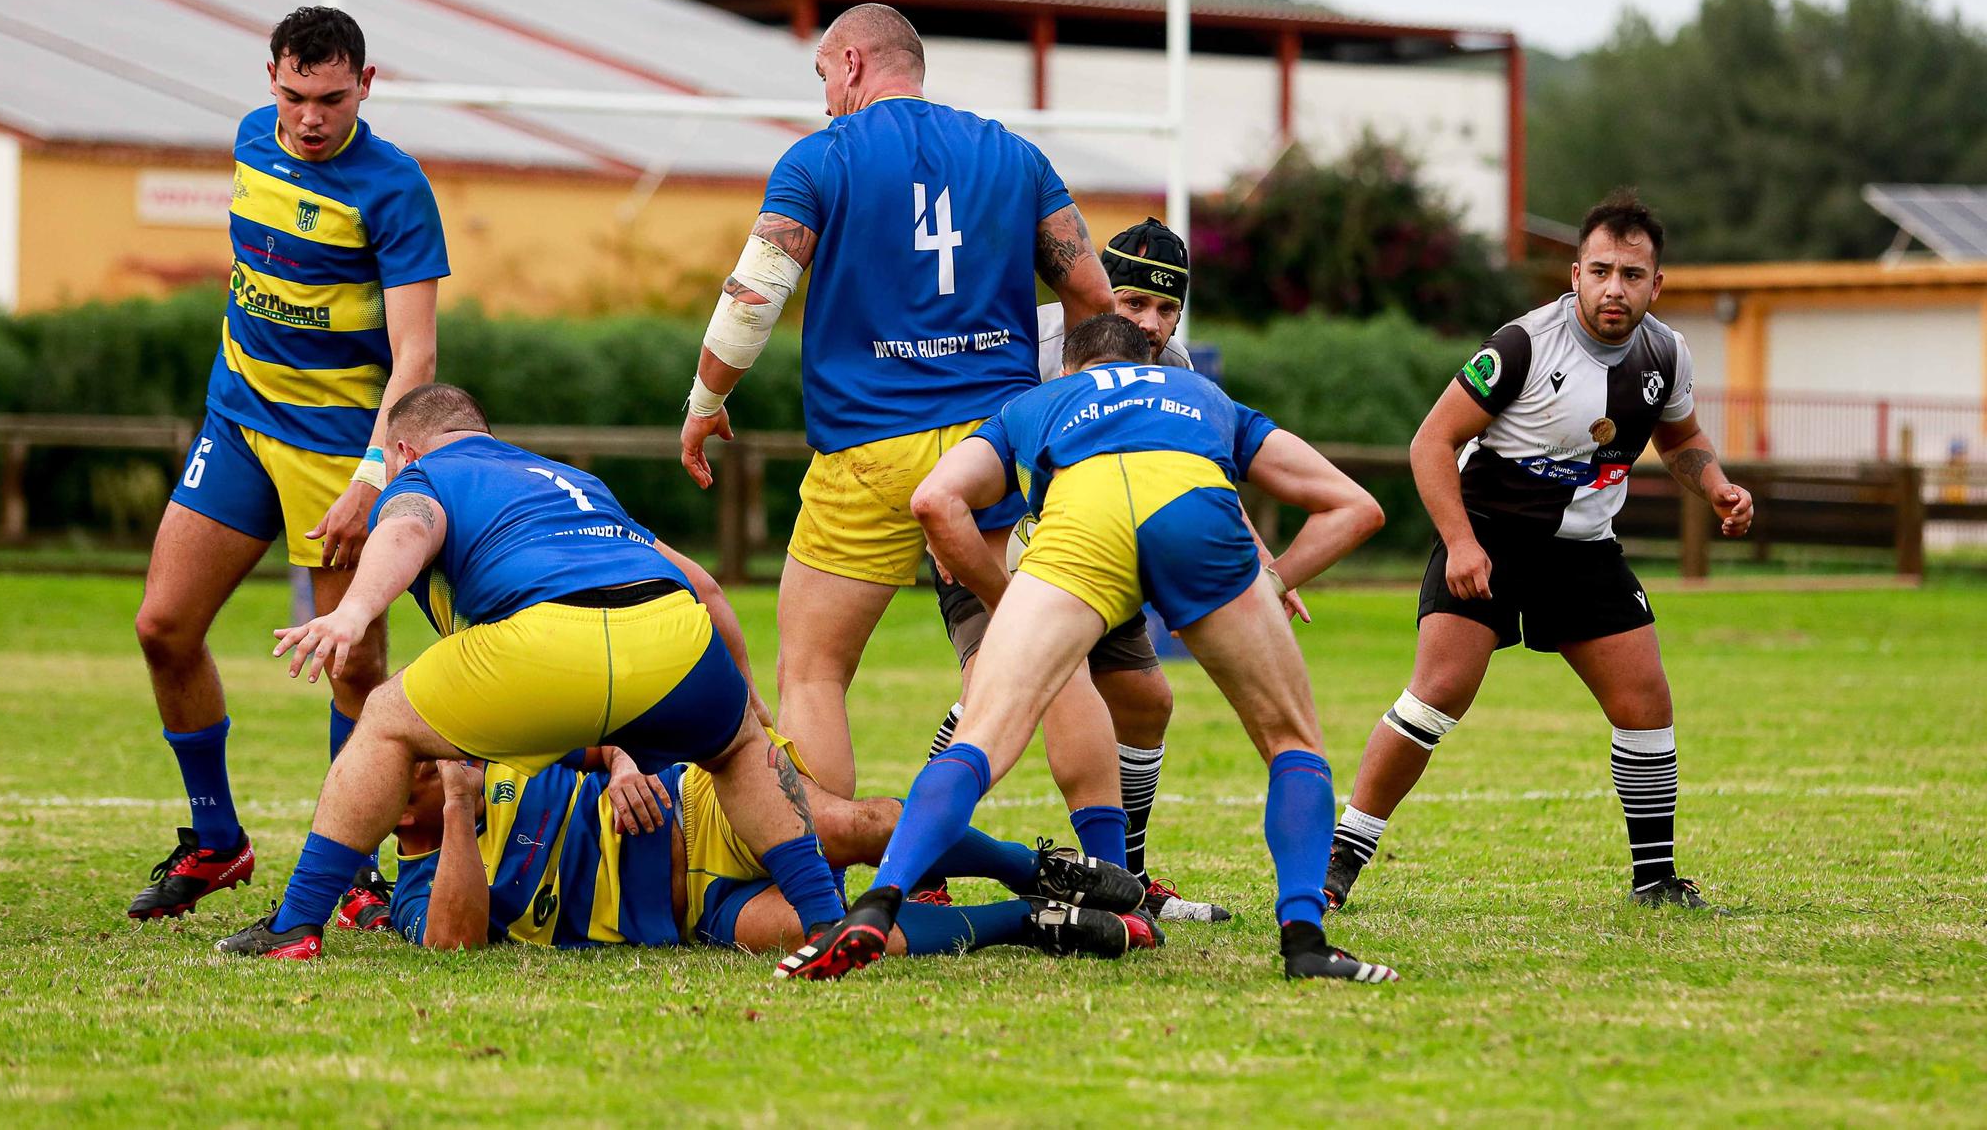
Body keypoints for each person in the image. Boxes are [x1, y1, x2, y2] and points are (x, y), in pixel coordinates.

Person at [781, 315, 1399, 983]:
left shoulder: (1035, 402)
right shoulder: (1204, 398)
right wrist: (1264, 583)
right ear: (1152, 363)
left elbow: (934, 500)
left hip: (1081, 526)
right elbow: (1355, 507)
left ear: (1070, 366)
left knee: (981, 738)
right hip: (1191, 506)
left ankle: (879, 902)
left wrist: (1004, 599)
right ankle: (1305, 939)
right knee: (1292, 742)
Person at [211, 384, 845, 963]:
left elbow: (408, 527)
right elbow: (705, 587)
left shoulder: (425, 474)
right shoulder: (574, 480)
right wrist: (745, 702)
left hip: (547, 638)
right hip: (670, 632)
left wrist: (352, 612)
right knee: (735, 751)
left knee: (382, 718)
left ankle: (294, 928)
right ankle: (824, 922)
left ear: (403, 450)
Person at [676, 3, 1115, 827]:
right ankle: (1111, 866)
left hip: (868, 449)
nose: (824, 101)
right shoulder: (1015, 156)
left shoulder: (819, 159)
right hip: (995, 448)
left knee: (813, 671)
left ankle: (826, 877)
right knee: (1054, 659)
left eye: (822, 80)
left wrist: (706, 402)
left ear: (850, 64)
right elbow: (1091, 297)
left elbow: (753, 300)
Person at [1323, 190, 1753, 915]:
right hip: (1489, 536)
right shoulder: (1523, 344)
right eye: (1601, 270)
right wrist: (1460, 543)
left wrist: (1714, 484)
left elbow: (1679, 440)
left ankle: (1655, 879)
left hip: (1584, 549)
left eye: (1632, 274)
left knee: (1646, 701)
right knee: (1435, 698)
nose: (1614, 287)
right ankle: (1338, 865)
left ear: (1658, 283)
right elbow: (1431, 441)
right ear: (1575, 273)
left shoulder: (1665, 353)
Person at [127, 7, 445, 929]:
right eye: (295, 95)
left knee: (355, 661)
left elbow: (416, 357)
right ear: (270, 78)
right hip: (237, 425)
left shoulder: (394, 188)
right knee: (163, 624)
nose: (310, 117)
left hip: (339, 448)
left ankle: (349, 867)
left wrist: (371, 479)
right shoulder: (247, 142)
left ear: (367, 84)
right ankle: (217, 841)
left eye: (332, 98)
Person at [923, 219, 1281, 925]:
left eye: (1166, 308)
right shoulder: (1028, 337)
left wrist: (1252, 544)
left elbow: (1189, 456)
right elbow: (965, 440)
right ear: (1096, 290)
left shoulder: (1171, 364)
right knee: (1002, 688)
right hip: (994, 529)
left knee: (1148, 699)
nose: (1151, 324)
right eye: (1132, 303)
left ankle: (1131, 880)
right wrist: (951, 518)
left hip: (1096, 538)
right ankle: (925, 863)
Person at [390, 742, 1138, 963]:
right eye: (417, 771)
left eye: (426, 755)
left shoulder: (500, 742)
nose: (434, 758)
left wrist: (621, 765)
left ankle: (1029, 864)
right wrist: (458, 802)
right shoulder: (419, 890)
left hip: (701, 802)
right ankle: (1028, 918)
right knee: (826, 935)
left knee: (859, 823)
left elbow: (605, 722)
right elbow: (454, 940)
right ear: (395, 816)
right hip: (698, 912)